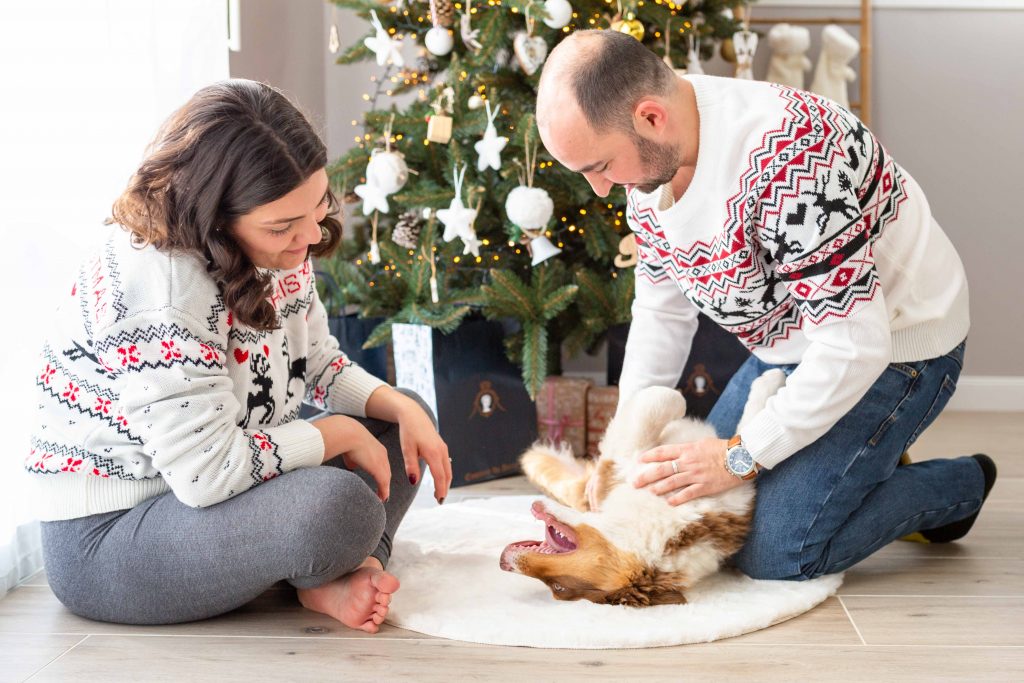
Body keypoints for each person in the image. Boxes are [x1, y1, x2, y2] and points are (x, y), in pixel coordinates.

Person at [536, 31, 997, 581]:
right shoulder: (652, 166)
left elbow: (856, 343)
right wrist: (624, 448)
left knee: (775, 551)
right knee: (701, 507)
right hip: (793, 347)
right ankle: (856, 451)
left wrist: (739, 456)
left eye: (601, 165)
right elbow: (662, 312)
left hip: (897, 346)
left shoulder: (790, 160)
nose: (599, 189)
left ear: (651, 117)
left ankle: (957, 485)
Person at [25, 79, 452, 631]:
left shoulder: (281, 245)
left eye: (318, 206)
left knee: (406, 415)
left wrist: (394, 406)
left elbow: (314, 361)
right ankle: (329, 562)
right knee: (338, 506)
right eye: (282, 226)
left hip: (220, 495)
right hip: (112, 533)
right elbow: (207, 473)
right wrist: (336, 435)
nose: (310, 237)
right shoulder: (159, 288)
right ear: (214, 218)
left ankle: (344, 568)